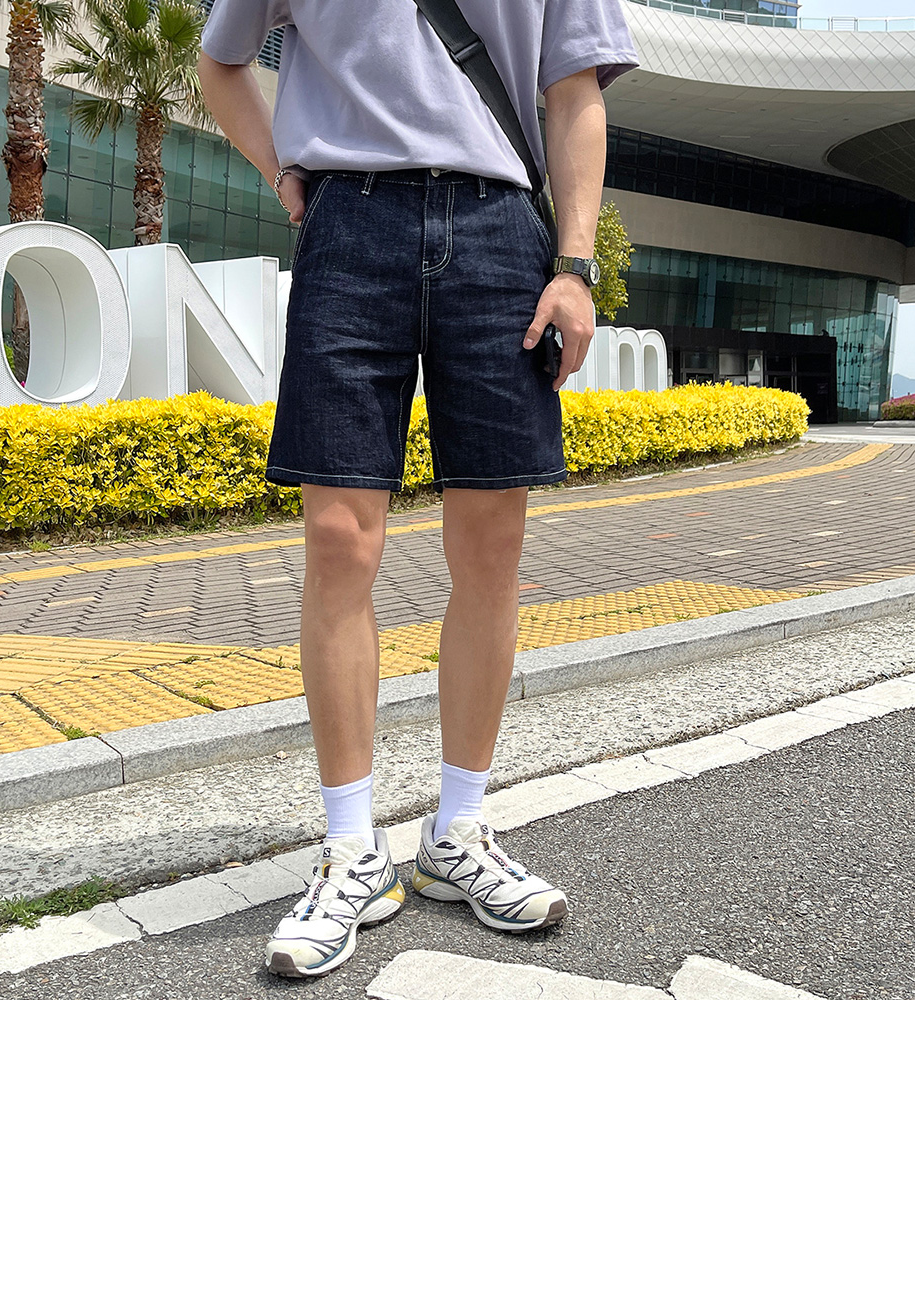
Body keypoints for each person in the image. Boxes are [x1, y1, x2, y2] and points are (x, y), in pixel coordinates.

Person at [198, 0, 639, 978]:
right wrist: (282, 170)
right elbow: (220, 63)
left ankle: (458, 828)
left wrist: (575, 264)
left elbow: (573, 89)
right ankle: (352, 844)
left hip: (499, 227)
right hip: (348, 222)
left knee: (490, 546)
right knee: (338, 539)